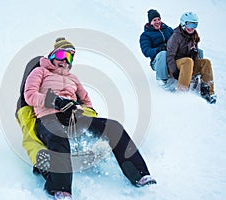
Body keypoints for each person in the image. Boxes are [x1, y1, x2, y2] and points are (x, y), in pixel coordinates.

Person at [22, 37, 156, 199]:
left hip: (72, 116)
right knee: (58, 136)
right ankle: (60, 188)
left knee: (113, 127)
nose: (65, 60)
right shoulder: (40, 71)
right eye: (62, 55)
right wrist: (55, 101)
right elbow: (29, 95)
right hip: (48, 117)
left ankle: (139, 174)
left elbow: (86, 101)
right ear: (52, 55)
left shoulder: (73, 78)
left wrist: (80, 109)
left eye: (70, 57)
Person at [166, 12, 217, 104]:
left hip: (188, 65)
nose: (192, 27)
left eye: (195, 24)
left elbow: (195, 58)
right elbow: (170, 56)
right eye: (190, 24)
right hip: (175, 65)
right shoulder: (176, 36)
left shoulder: (194, 35)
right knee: (188, 61)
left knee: (206, 62)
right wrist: (174, 72)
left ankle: (207, 91)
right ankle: (181, 92)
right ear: (183, 24)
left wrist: (194, 54)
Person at [139, 9, 174, 84]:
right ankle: (162, 80)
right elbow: (146, 51)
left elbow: (178, 39)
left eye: (159, 19)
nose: (157, 22)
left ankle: (194, 77)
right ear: (150, 22)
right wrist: (158, 50)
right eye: (154, 20)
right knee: (163, 54)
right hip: (157, 61)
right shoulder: (146, 35)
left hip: (172, 57)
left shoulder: (168, 30)